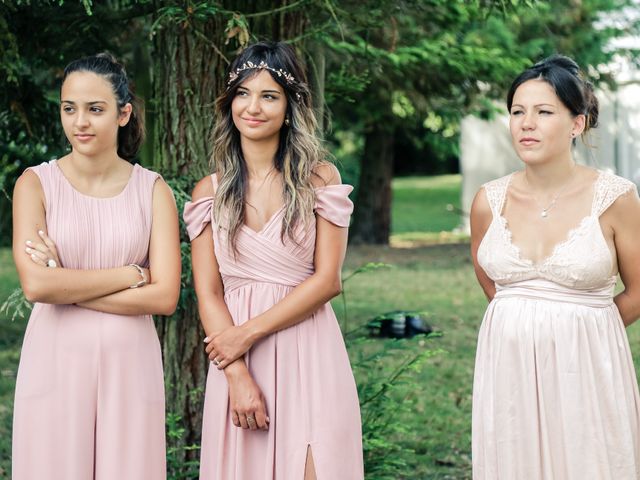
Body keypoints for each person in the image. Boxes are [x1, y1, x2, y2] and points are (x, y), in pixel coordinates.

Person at [183, 41, 364, 480]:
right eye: (243, 94)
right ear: (229, 104)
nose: (254, 107)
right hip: (239, 362)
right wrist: (238, 375)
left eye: (269, 96)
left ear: (290, 105)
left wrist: (246, 333)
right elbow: (208, 291)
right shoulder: (208, 191)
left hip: (309, 349)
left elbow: (328, 281)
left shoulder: (320, 179)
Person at [470, 54, 640, 479]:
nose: (526, 123)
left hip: (587, 364)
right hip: (506, 367)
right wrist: (526, 322)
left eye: (544, 112)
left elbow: (639, 290)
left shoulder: (616, 197)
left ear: (576, 124)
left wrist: (583, 328)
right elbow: (493, 284)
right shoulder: (487, 201)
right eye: (517, 112)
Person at [11, 53, 180, 479]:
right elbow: (36, 286)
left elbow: (164, 297)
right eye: (70, 108)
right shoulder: (35, 184)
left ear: (124, 114)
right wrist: (132, 275)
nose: (80, 122)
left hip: (130, 365)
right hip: (55, 361)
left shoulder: (153, 190)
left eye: (95, 109)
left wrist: (66, 284)